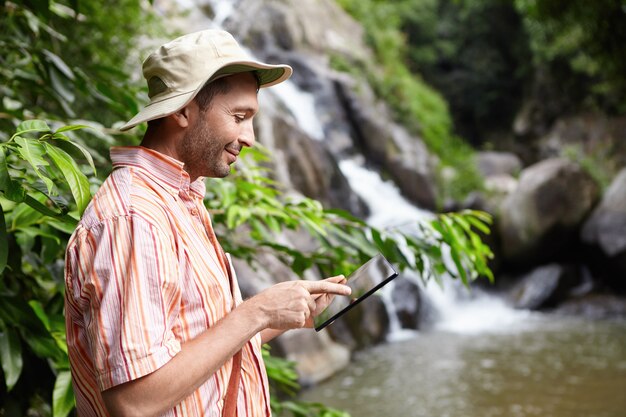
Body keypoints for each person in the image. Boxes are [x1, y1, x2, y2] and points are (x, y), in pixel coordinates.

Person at [64, 29, 351, 417]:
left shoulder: (180, 199)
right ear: (182, 110)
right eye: (239, 117)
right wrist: (258, 311)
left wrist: (282, 314)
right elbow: (134, 402)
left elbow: (196, 346)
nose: (249, 138)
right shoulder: (135, 219)